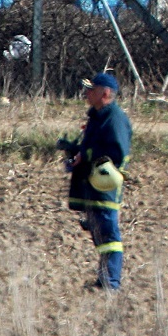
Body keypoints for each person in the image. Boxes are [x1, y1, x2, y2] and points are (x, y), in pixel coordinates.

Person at [57, 71, 132, 291]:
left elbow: (116, 152)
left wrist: (86, 154)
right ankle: (104, 280)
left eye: (92, 89)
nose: (87, 94)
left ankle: (111, 283)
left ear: (106, 93)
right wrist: (75, 149)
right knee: (100, 234)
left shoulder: (114, 118)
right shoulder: (98, 116)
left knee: (109, 234)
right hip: (92, 185)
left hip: (105, 187)